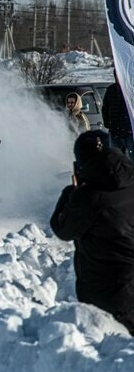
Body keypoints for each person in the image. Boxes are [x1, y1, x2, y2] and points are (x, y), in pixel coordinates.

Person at [50, 130, 134, 332]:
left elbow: (62, 229)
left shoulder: (87, 197)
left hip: (108, 293)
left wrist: (69, 192)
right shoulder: (130, 181)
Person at [101, 76, 134, 159]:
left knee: (131, 156)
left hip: (129, 131)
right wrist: (107, 123)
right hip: (115, 131)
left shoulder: (130, 89)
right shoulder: (111, 90)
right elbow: (105, 108)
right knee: (115, 158)